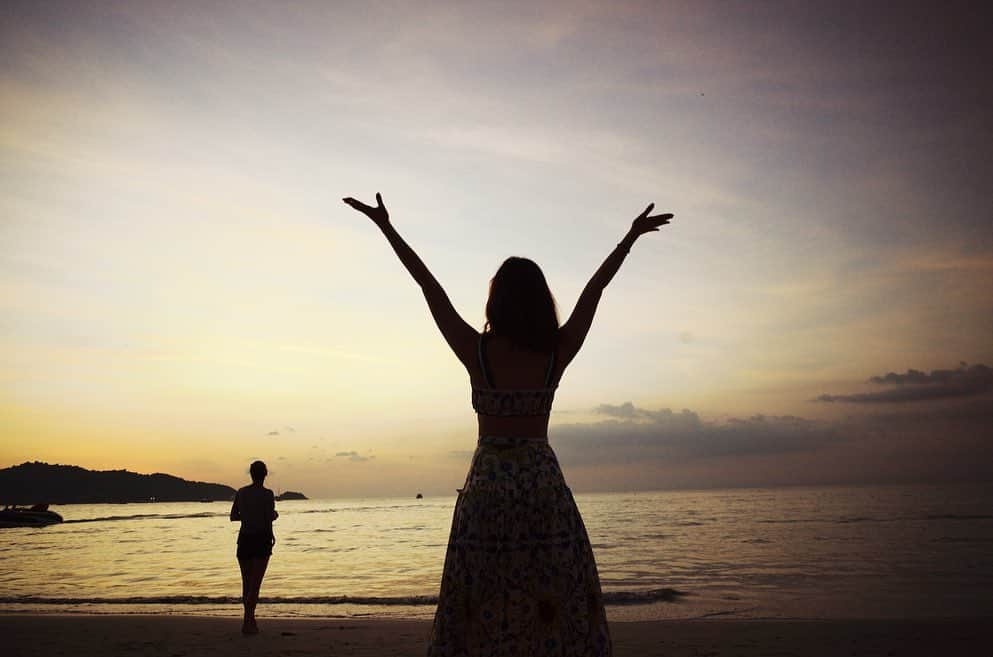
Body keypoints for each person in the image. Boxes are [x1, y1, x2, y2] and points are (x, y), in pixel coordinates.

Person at [344, 193, 672, 657]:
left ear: (495, 300)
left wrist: (386, 228)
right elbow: (593, 292)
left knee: (483, 599)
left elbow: (428, 287)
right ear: (541, 301)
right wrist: (629, 239)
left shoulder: (477, 352)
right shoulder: (555, 352)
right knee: (551, 596)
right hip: (542, 486)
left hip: (488, 490)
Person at [230, 460, 278, 635]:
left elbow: (233, 516)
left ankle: (248, 620)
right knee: (255, 585)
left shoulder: (241, 493)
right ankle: (248, 621)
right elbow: (268, 518)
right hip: (261, 539)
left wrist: (248, 516)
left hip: (244, 540)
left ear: (251, 474)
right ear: (265, 474)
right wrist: (273, 519)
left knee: (246, 583)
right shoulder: (267, 494)